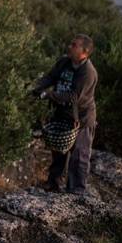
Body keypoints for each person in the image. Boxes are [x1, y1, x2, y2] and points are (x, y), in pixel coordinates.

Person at [33, 34, 98, 194]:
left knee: (79, 156)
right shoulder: (64, 62)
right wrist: (38, 87)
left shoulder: (88, 72)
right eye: (71, 43)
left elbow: (74, 96)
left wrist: (48, 95)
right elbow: (51, 77)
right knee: (58, 149)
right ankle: (53, 183)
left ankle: (76, 191)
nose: (69, 46)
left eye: (74, 45)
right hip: (62, 113)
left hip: (81, 118)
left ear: (84, 52)